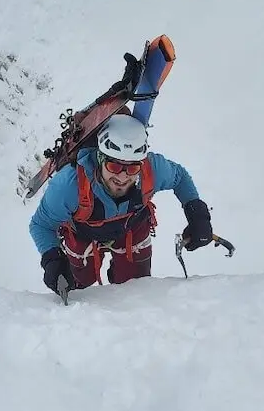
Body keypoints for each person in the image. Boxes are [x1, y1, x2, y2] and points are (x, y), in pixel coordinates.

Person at [29, 113, 213, 293]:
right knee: (79, 285)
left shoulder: (151, 169)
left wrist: (198, 215)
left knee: (135, 287)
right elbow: (41, 225)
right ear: (100, 159)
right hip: (83, 232)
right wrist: (52, 259)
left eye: (132, 168)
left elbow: (180, 177)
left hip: (131, 227)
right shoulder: (70, 185)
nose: (123, 176)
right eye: (114, 166)